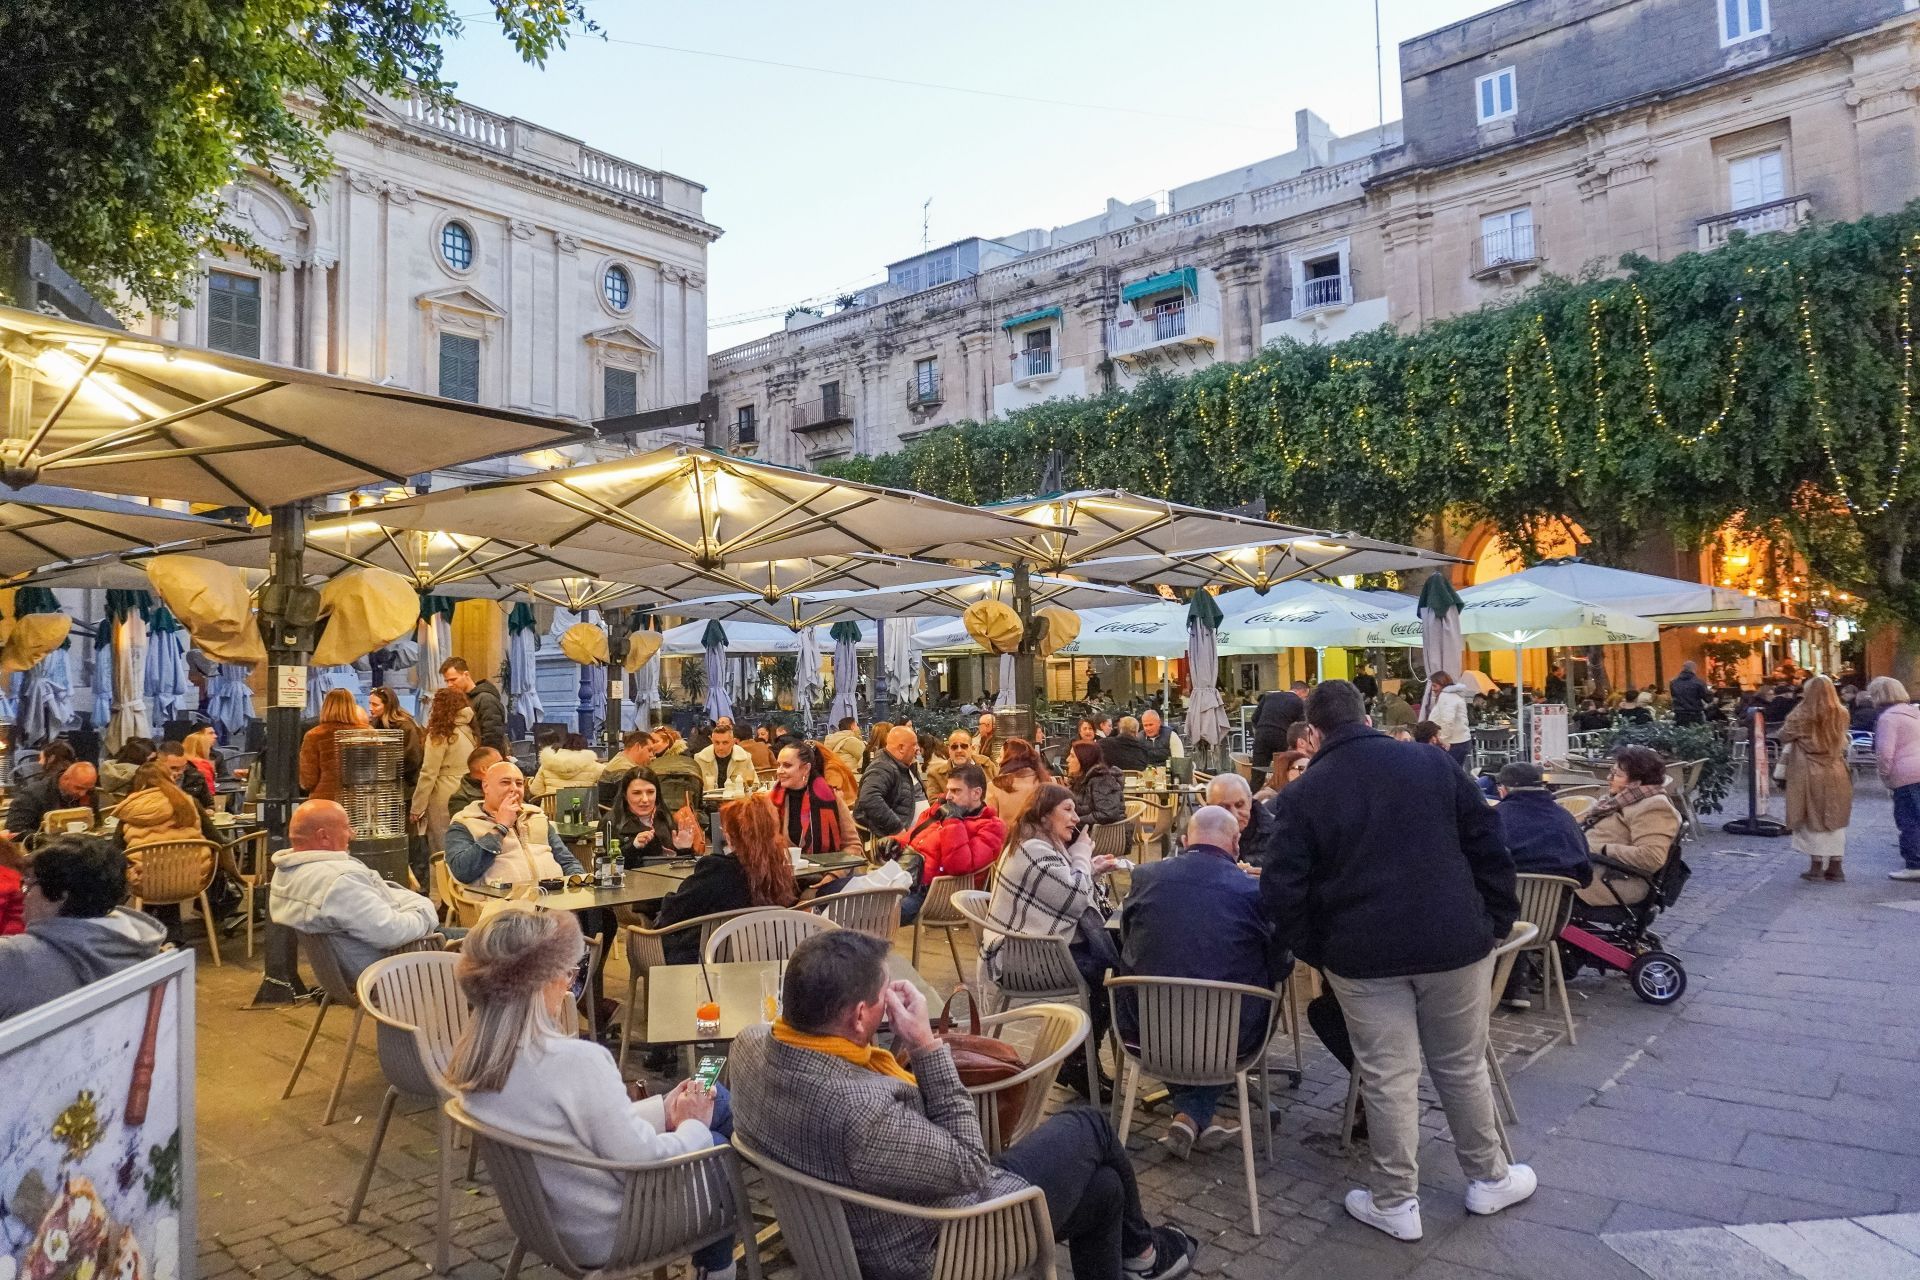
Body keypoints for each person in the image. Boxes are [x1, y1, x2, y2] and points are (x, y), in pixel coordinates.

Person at [728, 929, 1199, 1280]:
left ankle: (1137, 1258)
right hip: (934, 1247)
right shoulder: (863, 1113)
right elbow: (973, 1165)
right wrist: (926, 1046)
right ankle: (1146, 1252)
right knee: (1089, 1125)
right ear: (858, 1016)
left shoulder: (747, 1045)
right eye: (882, 996)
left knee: (1103, 1191)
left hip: (839, 1229)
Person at [1261, 680, 1529, 1242]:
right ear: (1366, 715)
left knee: (1388, 1076)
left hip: (1362, 954)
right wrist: (1492, 921)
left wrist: (1320, 948)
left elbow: (1283, 888)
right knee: (1461, 1064)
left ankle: (1395, 1200)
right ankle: (1489, 1176)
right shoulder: (1430, 765)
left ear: (1314, 731)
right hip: (1452, 940)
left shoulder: (1304, 794)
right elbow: (1489, 842)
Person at [447, 905, 739, 1280]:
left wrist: (664, 1111)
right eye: (567, 974)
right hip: (613, 1229)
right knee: (717, 1149)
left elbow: (578, 1132)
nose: (569, 986)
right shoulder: (575, 1062)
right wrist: (691, 1126)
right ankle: (729, 1256)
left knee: (714, 1103)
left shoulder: (477, 1064)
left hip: (549, 1221)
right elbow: (641, 1159)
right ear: (540, 983)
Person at [1118, 805, 1287, 1157]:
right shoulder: (1253, 892)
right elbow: (1280, 963)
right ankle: (1196, 1113)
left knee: (1160, 987)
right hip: (1230, 1037)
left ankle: (1190, 1113)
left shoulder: (1145, 877)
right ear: (1236, 843)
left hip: (1148, 1031)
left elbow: (1127, 939)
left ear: (1184, 840)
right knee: (1263, 995)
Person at [983, 783, 1122, 1099]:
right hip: (1021, 959)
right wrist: (1084, 856)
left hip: (1039, 947)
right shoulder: (1033, 849)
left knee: (1115, 957)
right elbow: (1074, 897)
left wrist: (1089, 870)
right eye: (1068, 810)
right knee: (1109, 976)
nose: (1076, 817)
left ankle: (1079, 1061)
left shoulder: (1042, 844)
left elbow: (1063, 891)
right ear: (1044, 815)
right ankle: (1077, 1062)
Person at [269, 799, 441, 981]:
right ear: (324, 836)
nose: (353, 834)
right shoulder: (340, 881)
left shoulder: (289, 873)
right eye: (347, 827)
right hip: (393, 972)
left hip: (354, 970)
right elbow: (391, 932)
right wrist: (425, 911)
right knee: (472, 945)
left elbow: (385, 901)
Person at [0, 837, 167, 1019]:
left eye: (28, 885)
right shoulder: (140, 947)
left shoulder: (13, 958)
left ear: (59, 896)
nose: (22, 893)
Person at [1493, 762, 1595, 1009]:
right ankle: (1517, 983)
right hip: (1551, 923)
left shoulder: (1496, 819)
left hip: (1502, 922)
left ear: (1503, 790)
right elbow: (1585, 875)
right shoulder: (1565, 819)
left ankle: (1502, 984)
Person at [652, 798, 799, 963]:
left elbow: (674, 910)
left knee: (656, 932)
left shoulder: (717, 868)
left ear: (732, 834)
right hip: (766, 953)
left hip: (710, 957)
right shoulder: (779, 868)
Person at [896, 763, 1005, 924]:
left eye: (956, 791)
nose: (948, 796)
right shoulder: (941, 811)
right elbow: (914, 837)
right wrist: (894, 843)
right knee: (851, 896)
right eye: (948, 790)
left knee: (873, 912)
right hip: (905, 879)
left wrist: (953, 822)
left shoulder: (991, 827)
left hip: (937, 896)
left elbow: (959, 866)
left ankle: (865, 947)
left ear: (976, 793)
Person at [1574, 746, 1682, 907]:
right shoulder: (1619, 800)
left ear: (1636, 783)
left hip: (1611, 881)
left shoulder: (1654, 806)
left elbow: (1651, 857)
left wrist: (1601, 849)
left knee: (1539, 881)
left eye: (1617, 775)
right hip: (1590, 870)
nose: (1609, 777)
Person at [444, 761, 585, 885]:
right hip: (501, 907)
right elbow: (462, 871)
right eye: (505, 782)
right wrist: (501, 827)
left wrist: (576, 883)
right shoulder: (464, 823)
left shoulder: (536, 817)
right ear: (486, 787)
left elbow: (568, 862)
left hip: (553, 901)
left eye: (519, 783)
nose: (514, 789)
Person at [1779, 674, 1853, 883]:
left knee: (1811, 815)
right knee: (1836, 816)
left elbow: (1784, 735)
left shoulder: (1802, 713)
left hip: (1808, 770)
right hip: (1836, 767)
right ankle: (1837, 865)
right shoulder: (1841, 713)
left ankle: (1817, 865)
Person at [765, 741, 862, 865]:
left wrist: (834, 874)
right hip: (783, 878)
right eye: (779, 765)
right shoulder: (769, 801)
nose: (779, 771)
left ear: (806, 768)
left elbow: (853, 846)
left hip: (828, 874)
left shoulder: (832, 799)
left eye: (787, 765)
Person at [412, 687, 478, 854]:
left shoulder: (440, 734)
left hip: (443, 793)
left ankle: (442, 880)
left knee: (442, 845)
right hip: (467, 789)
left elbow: (429, 773)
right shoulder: (470, 730)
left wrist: (417, 807)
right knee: (466, 840)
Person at [1869, 677, 1920, 881]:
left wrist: (1885, 776)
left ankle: (1914, 863)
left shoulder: (1888, 718)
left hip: (1905, 773)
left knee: (1907, 819)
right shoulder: (1915, 713)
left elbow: (1884, 753)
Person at [610, 771, 700, 866]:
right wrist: (633, 847)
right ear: (625, 795)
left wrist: (684, 849)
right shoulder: (612, 823)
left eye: (650, 792)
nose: (645, 799)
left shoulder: (665, 818)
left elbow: (684, 867)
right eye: (637, 793)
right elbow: (609, 865)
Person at [855, 725, 924, 840]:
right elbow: (869, 798)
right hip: (902, 844)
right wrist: (897, 828)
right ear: (901, 748)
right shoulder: (883, 767)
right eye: (914, 745)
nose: (918, 749)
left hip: (920, 835)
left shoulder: (905, 765)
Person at [299, 687, 365, 801]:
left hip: (325, 800)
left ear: (325, 707)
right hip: (360, 801)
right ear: (352, 707)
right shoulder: (368, 734)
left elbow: (308, 780)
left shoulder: (314, 735)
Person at [6, 762, 99, 837]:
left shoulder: (90, 794)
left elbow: (97, 824)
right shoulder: (32, 795)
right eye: (78, 788)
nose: (83, 793)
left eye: (88, 789)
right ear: (65, 779)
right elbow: (15, 830)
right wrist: (48, 840)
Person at [1205, 772, 1272, 869]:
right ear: (1209, 807)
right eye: (1224, 807)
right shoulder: (1197, 831)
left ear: (1249, 801)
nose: (1234, 814)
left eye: (1239, 805)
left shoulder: (1276, 831)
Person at [441, 657, 508, 753]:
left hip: (482, 760)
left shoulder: (486, 700)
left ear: (466, 675)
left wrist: (483, 759)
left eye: (453, 680)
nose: (449, 685)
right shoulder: (461, 700)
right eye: (446, 681)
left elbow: (492, 736)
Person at [368, 685, 424, 800]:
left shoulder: (406, 726)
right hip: (384, 788)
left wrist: (386, 765)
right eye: (370, 703)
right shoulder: (374, 725)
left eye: (375, 705)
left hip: (406, 787)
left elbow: (413, 758)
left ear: (387, 706)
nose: (370, 708)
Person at [987, 737, 1050, 835]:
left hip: (1009, 846)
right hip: (1045, 844)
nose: (997, 760)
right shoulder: (1048, 782)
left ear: (1008, 760)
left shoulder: (995, 787)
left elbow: (990, 825)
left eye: (1000, 756)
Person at [644, 728, 706, 811]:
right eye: (650, 743)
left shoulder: (681, 761)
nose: (652, 746)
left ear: (667, 742)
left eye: (655, 742)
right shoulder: (653, 760)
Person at [1067, 741, 1126, 826]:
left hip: (1103, 836)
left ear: (1084, 759)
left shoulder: (1102, 781)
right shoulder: (1081, 780)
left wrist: (1075, 821)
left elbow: (1107, 814)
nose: (1067, 759)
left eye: (1072, 756)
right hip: (1084, 831)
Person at [923, 729, 995, 797]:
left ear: (972, 748)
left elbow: (1000, 791)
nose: (959, 750)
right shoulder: (935, 774)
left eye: (964, 746)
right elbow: (934, 804)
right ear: (949, 750)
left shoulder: (986, 764)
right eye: (954, 747)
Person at [694, 718, 759, 794]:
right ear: (711, 741)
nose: (720, 747)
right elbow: (694, 789)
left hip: (736, 802)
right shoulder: (700, 758)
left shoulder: (744, 758)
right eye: (717, 743)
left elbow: (755, 784)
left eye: (725, 743)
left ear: (733, 742)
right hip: (708, 803)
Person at [530, 732, 604, 798]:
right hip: (581, 812)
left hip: (549, 812)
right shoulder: (595, 767)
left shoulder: (547, 764)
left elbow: (535, 791)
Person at [1425, 672, 1473, 767]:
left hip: (1453, 742)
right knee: (1455, 772)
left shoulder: (1446, 696)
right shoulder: (1453, 695)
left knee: (1448, 773)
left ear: (1442, 683)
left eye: (1435, 685)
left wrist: (1442, 739)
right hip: (1458, 741)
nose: (1433, 689)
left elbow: (1447, 720)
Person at [98, 738, 156, 809]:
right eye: (150, 760)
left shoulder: (107, 772)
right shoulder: (139, 776)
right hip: (135, 812)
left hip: (108, 814)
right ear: (142, 760)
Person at [448, 746, 502, 818]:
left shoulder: (508, 788)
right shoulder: (460, 800)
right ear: (484, 769)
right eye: (499, 763)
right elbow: (465, 826)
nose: (504, 766)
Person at [1668, 661, 1710, 726]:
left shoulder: (1673, 683)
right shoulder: (1698, 682)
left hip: (1679, 715)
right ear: (1694, 669)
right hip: (1695, 715)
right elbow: (1707, 698)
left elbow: (1674, 696)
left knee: (1680, 734)